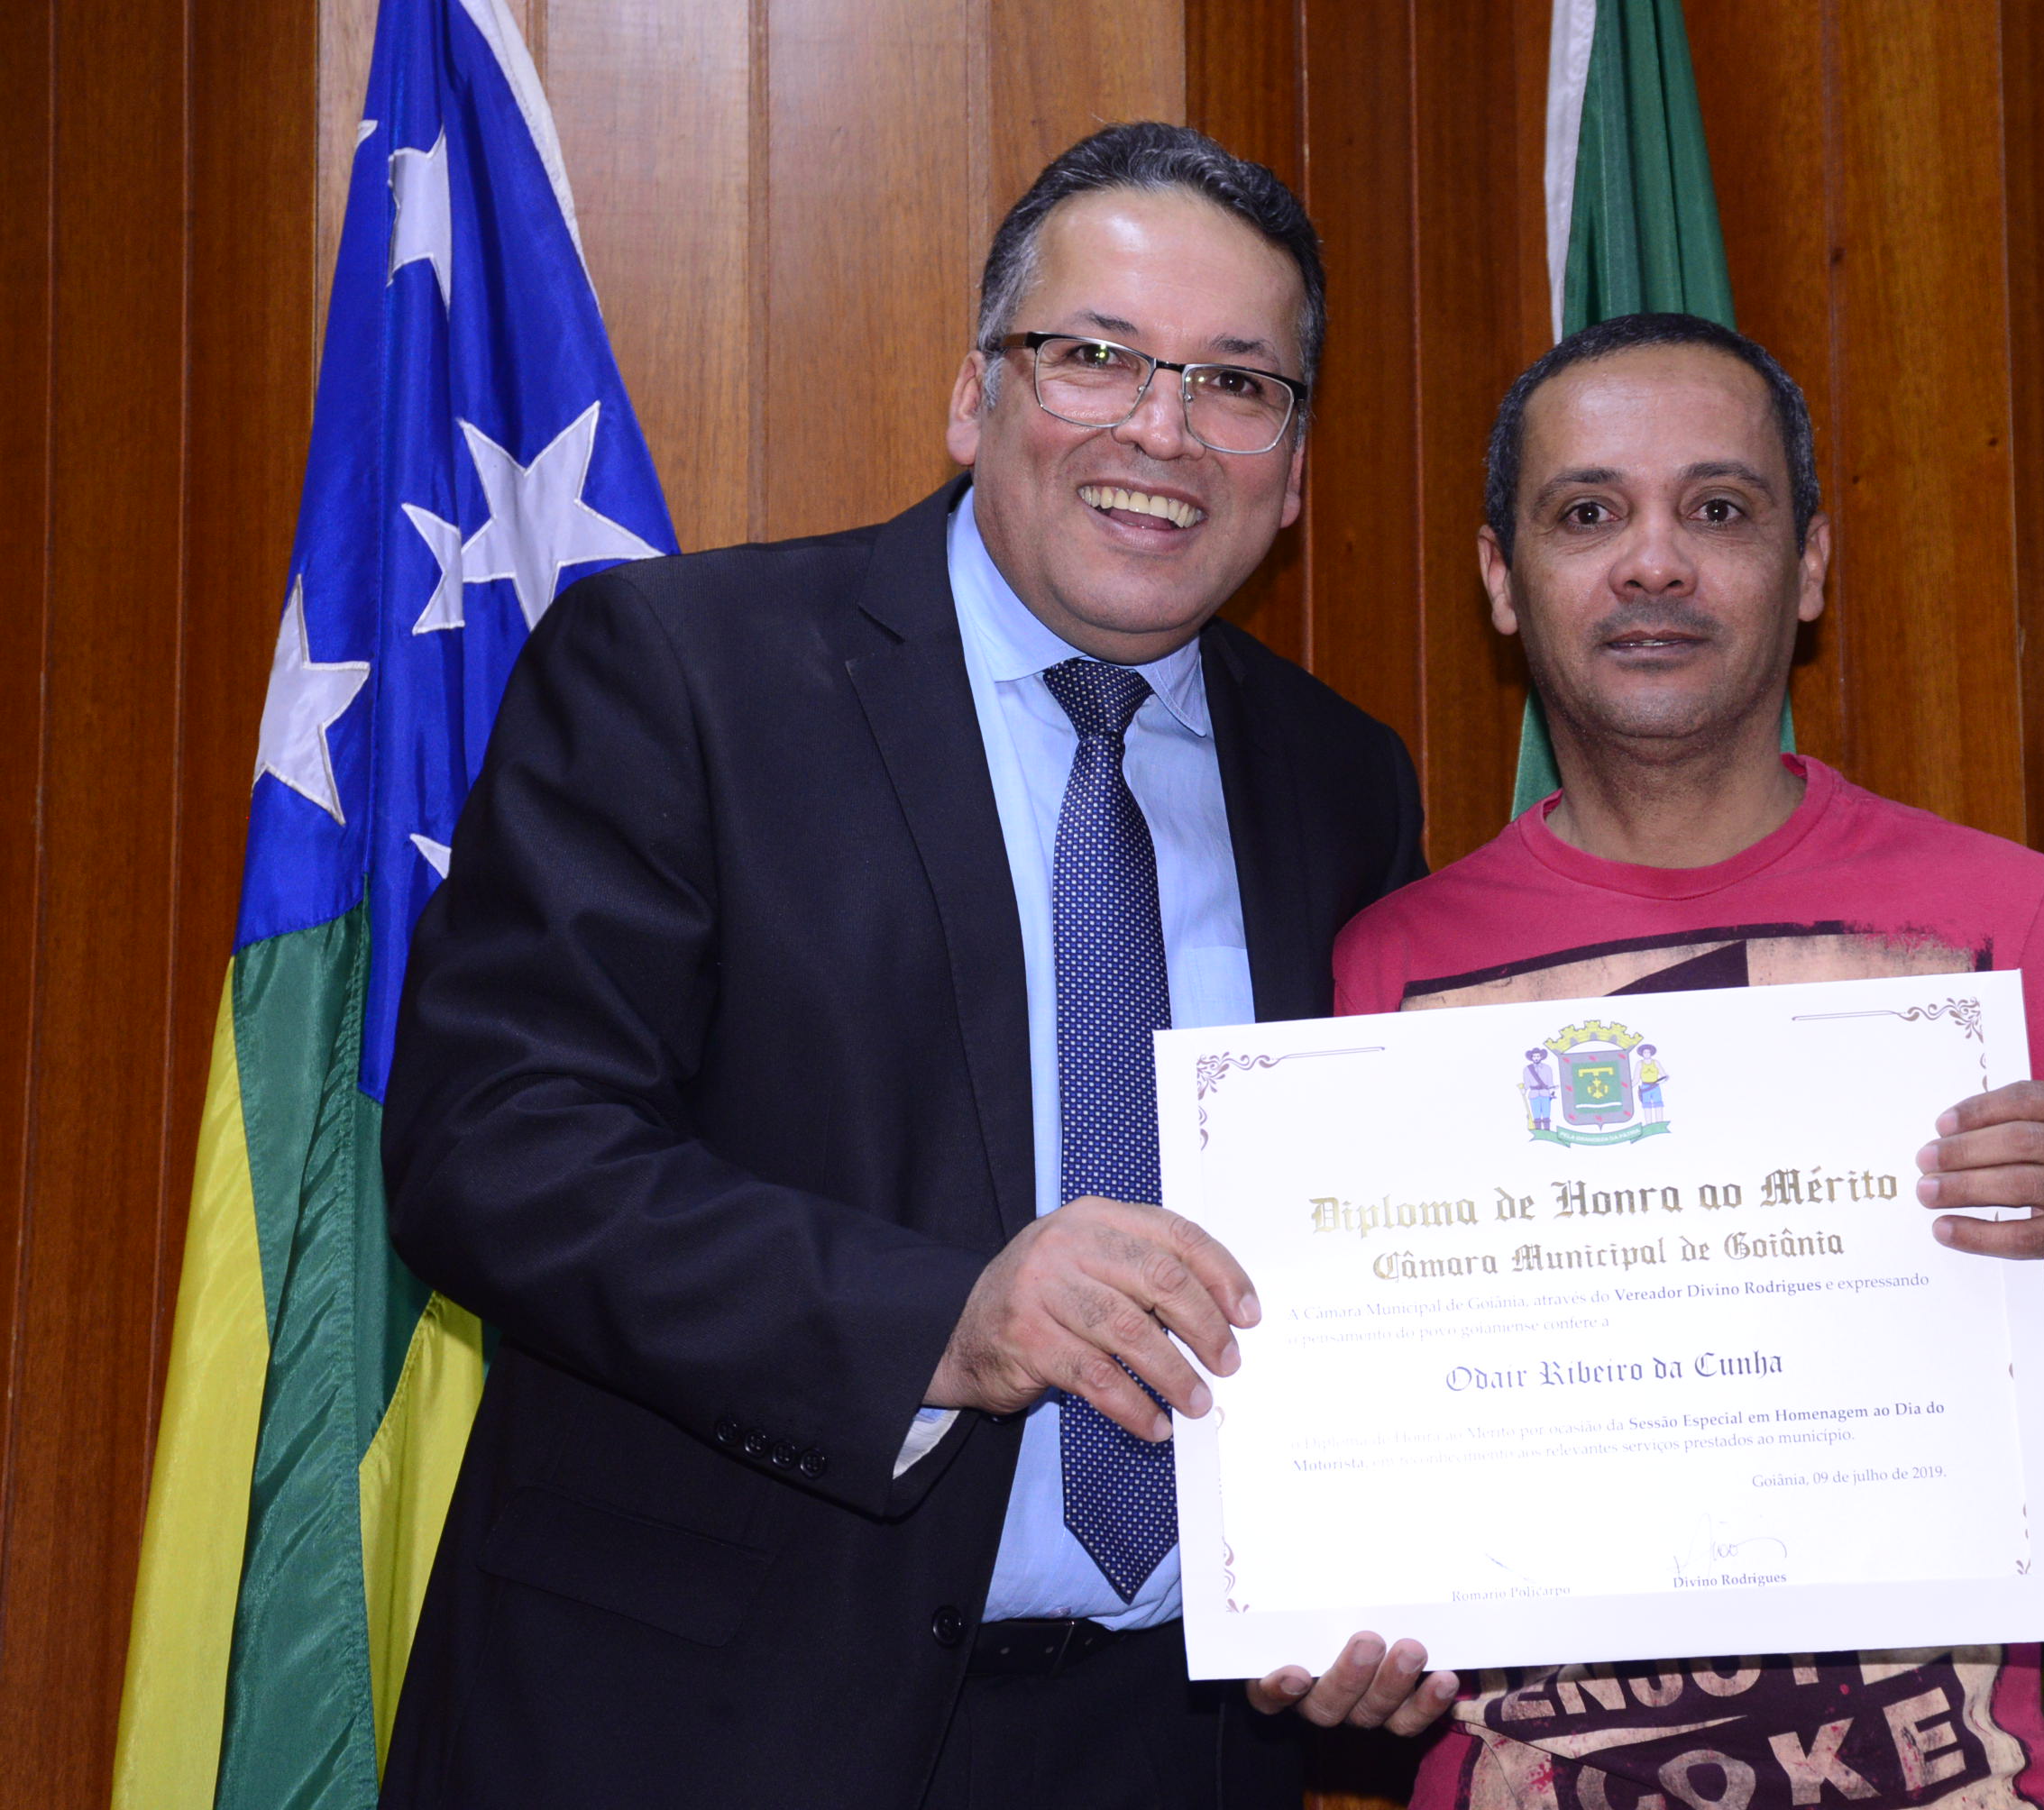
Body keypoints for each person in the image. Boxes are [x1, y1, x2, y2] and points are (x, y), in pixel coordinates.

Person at [380, 124, 1450, 1810]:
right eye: (1096, 355)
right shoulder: (683, 671)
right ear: (973, 397)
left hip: (1172, 1749)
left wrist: (1381, 1576)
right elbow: (494, 1150)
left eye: (1238, 384)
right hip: (706, 1728)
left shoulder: (1343, 780)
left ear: (1296, 467)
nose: (1163, 430)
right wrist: (940, 1322)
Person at [1332, 312, 2044, 1810]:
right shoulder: (1385, 966)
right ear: (1501, 580)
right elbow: (1351, 1463)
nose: (1654, 564)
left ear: (1810, 568)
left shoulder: (2008, 917)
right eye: (1587, 514)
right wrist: (1337, 1631)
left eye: (1719, 510)